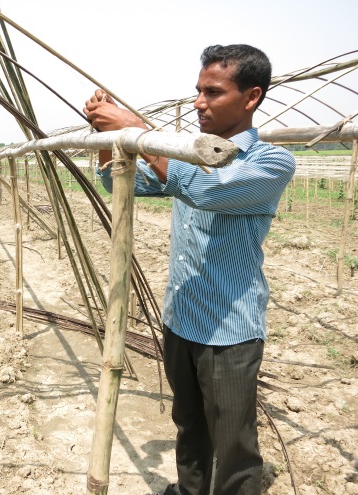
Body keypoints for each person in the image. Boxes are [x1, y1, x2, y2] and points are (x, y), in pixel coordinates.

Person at [83, 44, 295, 495]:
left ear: (251, 97)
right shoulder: (184, 153)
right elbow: (125, 182)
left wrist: (139, 130)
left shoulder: (271, 163)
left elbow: (208, 188)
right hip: (181, 318)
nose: (199, 102)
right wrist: (111, 141)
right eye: (198, 91)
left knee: (234, 443)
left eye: (213, 92)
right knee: (188, 426)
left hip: (229, 330)